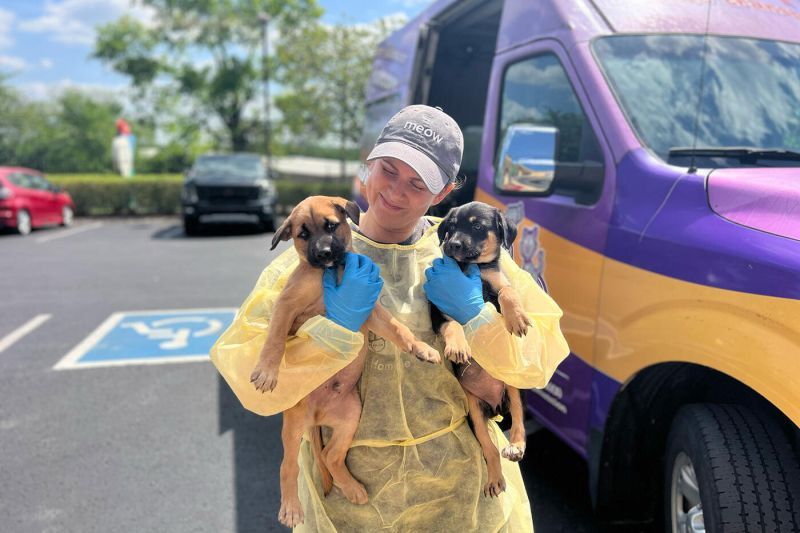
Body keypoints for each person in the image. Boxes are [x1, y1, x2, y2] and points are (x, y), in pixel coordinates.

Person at [210, 105, 570, 531]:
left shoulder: (469, 251)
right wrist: (332, 330)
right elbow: (254, 387)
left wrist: (476, 316)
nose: (397, 191)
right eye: (388, 170)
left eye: (418, 183)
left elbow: (538, 362)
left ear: (444, 192)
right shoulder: (306, 265)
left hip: (464, 497)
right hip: (351, 512)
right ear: (368, 164)